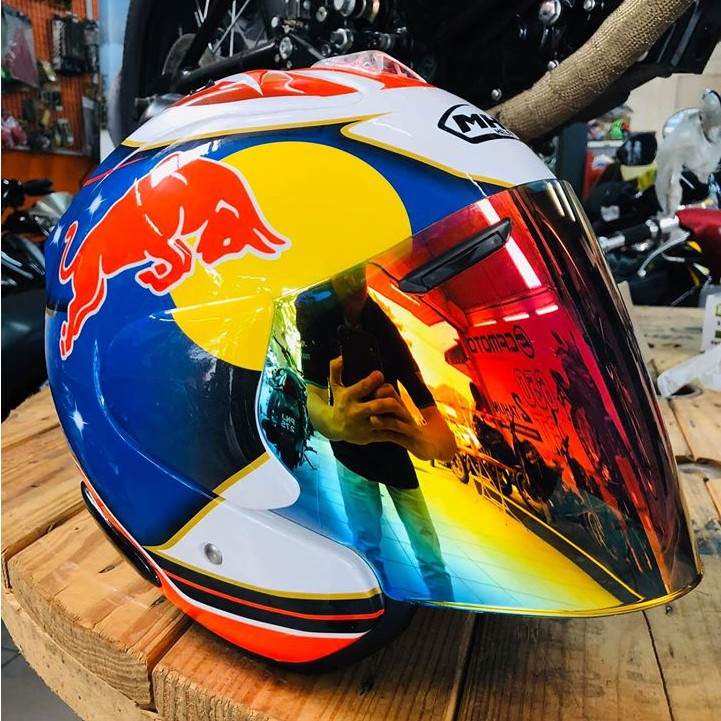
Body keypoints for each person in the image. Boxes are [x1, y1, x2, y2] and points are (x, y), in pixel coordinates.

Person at [295, 265, 456, 599]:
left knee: (424, 549)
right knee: (369, 544)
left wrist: (423, 442)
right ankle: (376, 601)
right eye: (345, 271)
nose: (353, 280)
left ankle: (442, 601)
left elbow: (445, 439)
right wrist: (334, 423)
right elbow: (312, 397)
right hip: (353, 453)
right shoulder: (316, 315)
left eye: (359, 270)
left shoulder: (385, 331)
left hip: (391, 448)